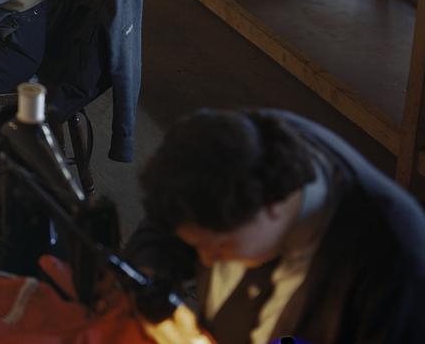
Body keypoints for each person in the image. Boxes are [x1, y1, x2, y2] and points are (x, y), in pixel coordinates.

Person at [126, 108, 425, 344]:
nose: (204, 259)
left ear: (271, 205)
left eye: (220, 246)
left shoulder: (395, 266)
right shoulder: (241, 144)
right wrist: (149, 271)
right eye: (197, 246)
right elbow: (173, 221)